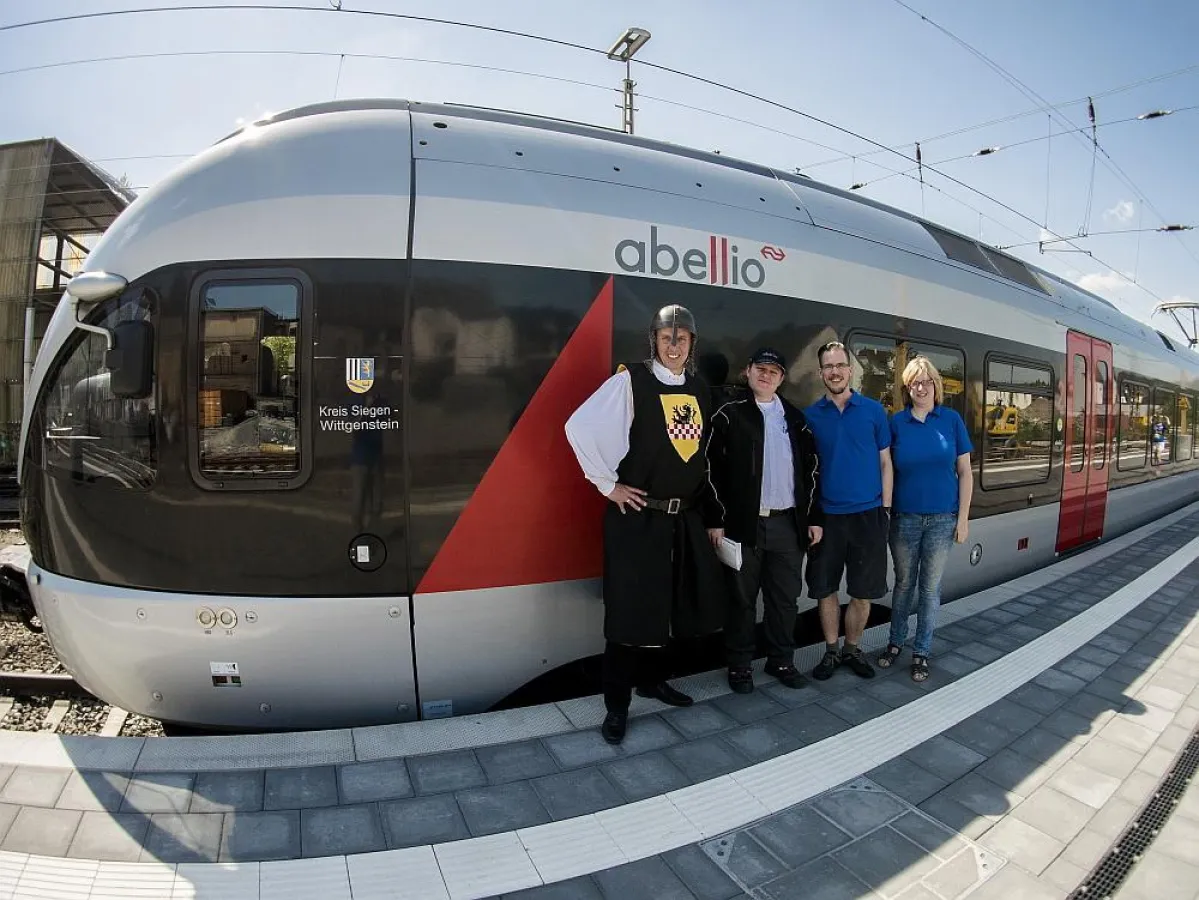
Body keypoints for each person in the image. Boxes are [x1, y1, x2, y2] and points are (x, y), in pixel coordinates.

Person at [564, 304, 726, 745]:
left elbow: (703, 461)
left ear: (692, 344)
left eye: (682, 338)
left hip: (682, 519)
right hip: (636, 520)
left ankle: (654, 680)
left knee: (670, 608)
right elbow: (579, 427)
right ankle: (617, 706)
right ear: (654, 340)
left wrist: (710, 517)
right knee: (629, 614)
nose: (674, 346)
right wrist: (607, 485)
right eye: (667, 338)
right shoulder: (630, 381)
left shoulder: (698, 388)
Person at [706, 348, 824, 694]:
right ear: (748, 372)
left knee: (785, 599)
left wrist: (813, 518)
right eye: (761, 369)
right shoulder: (729, 415)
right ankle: (740, 666)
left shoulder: (796, 419)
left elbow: (812, 471)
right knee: (742, 600)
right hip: (744, 525)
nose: (767, 375)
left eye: (774, 371)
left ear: (782, 378)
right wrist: (716, 518)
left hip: (788, 524)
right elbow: (710, 468)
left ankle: (781, 660)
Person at [877, 357, 973, 681]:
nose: (921, 387)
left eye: (926, 381)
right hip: (904, 520)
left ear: (936, 385)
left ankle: (921, 651)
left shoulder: (951, 420)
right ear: (907, 388)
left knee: (930, 589)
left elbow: (965, 473)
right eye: (914, 382)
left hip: (942, 520)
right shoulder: (896, 423)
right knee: (904, 585)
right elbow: (885, 467)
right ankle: (894, 642)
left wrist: (962, 520)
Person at [803, 340, 892, 681]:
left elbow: (886, 463)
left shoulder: (873, 411)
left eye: (841, 365)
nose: (835, 371)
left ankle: (852, 648)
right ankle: (830, 650)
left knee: (862, 591)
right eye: (829, 366)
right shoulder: (810, 417)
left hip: (868, 516)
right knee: (825, 589)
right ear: (820, 372)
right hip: (826, 519)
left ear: (850, 370)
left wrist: (884, 509)